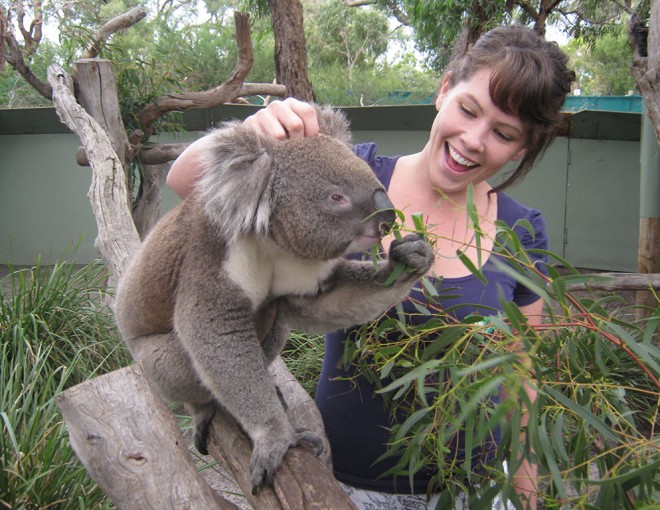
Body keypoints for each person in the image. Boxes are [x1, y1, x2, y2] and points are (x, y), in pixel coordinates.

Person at [168, 25, 575, 509]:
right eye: (468, 110)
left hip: (477, 485)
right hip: (353, 482)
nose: (473, 139)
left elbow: (519, 372)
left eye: (503, 134)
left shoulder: (522, 231)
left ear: (521, 149)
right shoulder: (351, 176)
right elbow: (186, 183)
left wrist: (526, 492)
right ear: (444, 90)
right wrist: (255, 132)